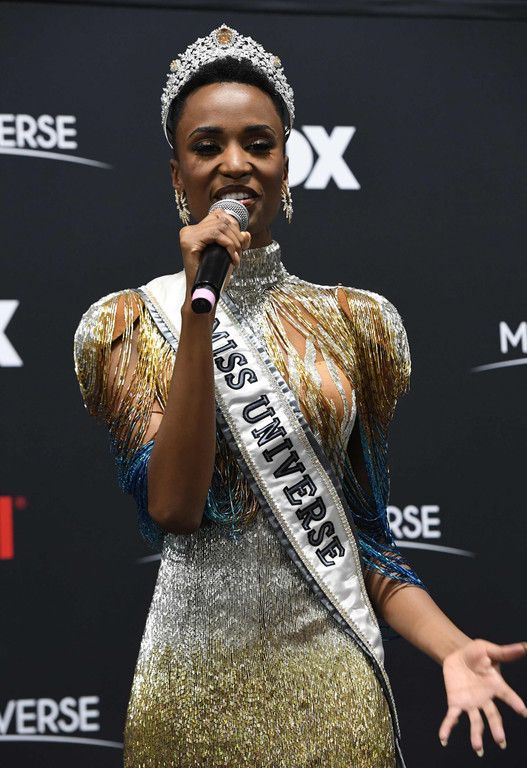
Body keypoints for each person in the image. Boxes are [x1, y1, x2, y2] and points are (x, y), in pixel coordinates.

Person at [73, 25, 526, 768]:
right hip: (188, 696)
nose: (235, 164)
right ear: (177, 172)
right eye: (208, 146)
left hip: (334, 697)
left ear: (287, 162)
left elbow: (360, 542)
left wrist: (452, 648)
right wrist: (198, 310)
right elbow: (175, 506)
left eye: (259, 143)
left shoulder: (353, 323)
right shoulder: (129, 323)